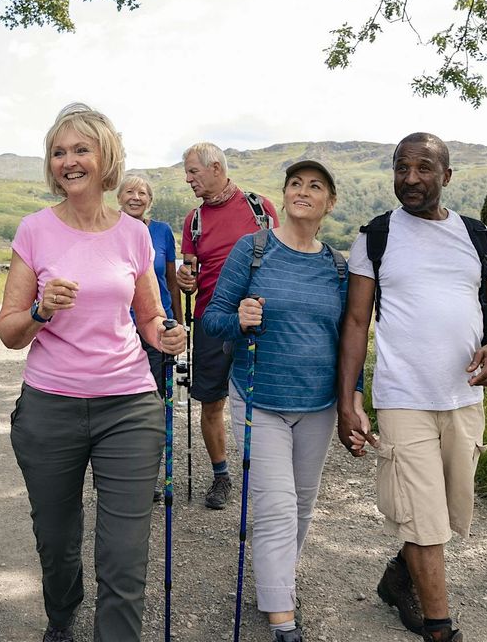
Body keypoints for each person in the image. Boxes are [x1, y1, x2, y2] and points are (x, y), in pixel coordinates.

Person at [0, 104, 187, 642]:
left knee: (125, 557)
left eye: (81, 149)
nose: (69, 161)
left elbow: (150, 317)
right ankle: (62, 617)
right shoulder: (34, 230)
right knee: (56, 543)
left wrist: (167, 335)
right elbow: (9, 331)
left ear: (106, 159)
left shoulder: (133, 234)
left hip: (128, 405)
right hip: (49, 408)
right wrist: (40, 310)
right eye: (59, 152)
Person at [337, 132, 487, 642]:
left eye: (423, 168)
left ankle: (398, 577)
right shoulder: (376, 236)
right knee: (422, 517)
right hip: (402, 397)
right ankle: (440, 628)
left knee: (446, 514)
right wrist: (351, 399)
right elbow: (354, 322)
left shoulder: (477, 236)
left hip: (463, 398)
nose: (410, 179)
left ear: (447, 176)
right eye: (401, 168)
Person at [203, 160, 352, 642]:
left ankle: (275, 584)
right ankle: (280, 616)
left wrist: (356, 398)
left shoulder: (338, 266)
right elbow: (212, 320)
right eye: (295, 184)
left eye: (315, 187)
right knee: (276, 505)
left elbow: (349, 341)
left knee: (303, 505)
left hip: (319, 404)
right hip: (259, 397)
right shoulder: (254, 249)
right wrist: (240, 318)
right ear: (284, 194)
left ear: (330, 203)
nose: (302, 191)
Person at [177, 142, 279, 510]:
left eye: (193, 172)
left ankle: (269, 477)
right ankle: (222, 476)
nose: (188, 179)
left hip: (257, 320)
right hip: (211, 321)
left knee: (265, 402)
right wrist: (186, 279)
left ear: (216, 167)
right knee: (210, 402)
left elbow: (280, 255)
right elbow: (190, 270)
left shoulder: (259, 208)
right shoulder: (194, 220)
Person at [117, 174, 183, 503]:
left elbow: (171, 281)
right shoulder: (109, 228)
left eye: (143, 193)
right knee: (122, 404)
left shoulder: (161, 232)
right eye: (130, 191)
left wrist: (179, 326)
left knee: (155, 404)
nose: (136, 197)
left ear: (150, 200)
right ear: (118, 197)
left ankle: (149, 475)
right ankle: (118, 471)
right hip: (121, 330)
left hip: (157, 328)